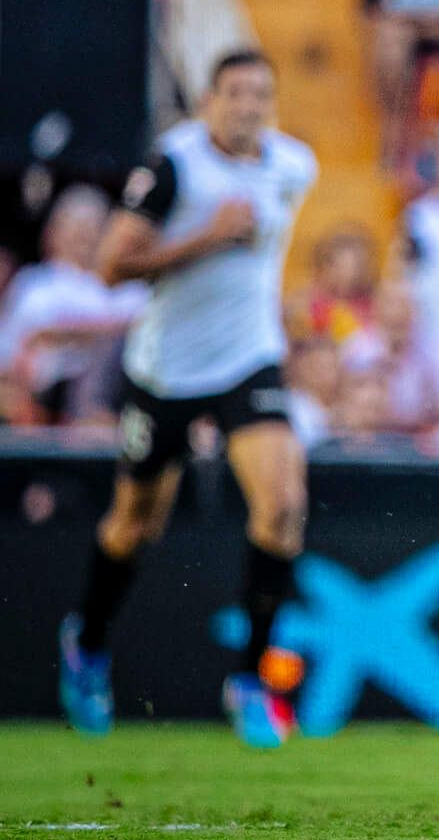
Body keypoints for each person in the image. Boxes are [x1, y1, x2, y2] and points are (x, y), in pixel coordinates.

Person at [57, 50, 319, 748]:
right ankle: (87, 640)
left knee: (283, 505)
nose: (248, 107)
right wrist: (206, 239)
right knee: (134, 524)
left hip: (248, 360)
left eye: (261, 94)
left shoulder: (293, 166)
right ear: (209, 101)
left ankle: (252, 680)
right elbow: (113, 268)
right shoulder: (172, 168)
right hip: (167, 369)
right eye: (234, 93)